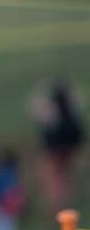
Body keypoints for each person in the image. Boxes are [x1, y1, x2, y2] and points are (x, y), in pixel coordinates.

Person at [28, 80, 85, 214]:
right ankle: (65, 207)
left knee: (53, 180)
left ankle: (57, 209)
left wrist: (39, 92)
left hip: (52, 151)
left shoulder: (52, 112)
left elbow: (33, 111)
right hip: (68, 150)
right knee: (65, 178)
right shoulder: (70, 110)